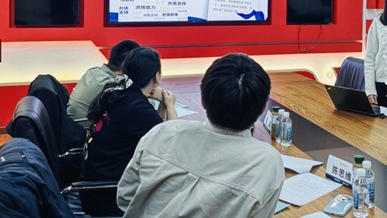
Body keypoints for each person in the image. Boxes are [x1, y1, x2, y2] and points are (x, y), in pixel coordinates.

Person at [117, 53, 285, 218]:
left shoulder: (162, 132)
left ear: (203, 100)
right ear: (263, 108)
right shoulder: (267, 162)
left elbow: (125, 199)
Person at [80, 47, 177, 217]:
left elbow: (156, 131)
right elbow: (174, 142)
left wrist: (162, 105)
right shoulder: (138, 108)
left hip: (94, 187)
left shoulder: (118, 92)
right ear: (156, 76)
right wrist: (170, 105)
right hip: (111, 196)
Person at [67, 39, 140, 127]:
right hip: (85, 133)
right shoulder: (110, 86)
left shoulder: (92, 71)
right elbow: (136, 113)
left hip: (70, 127)